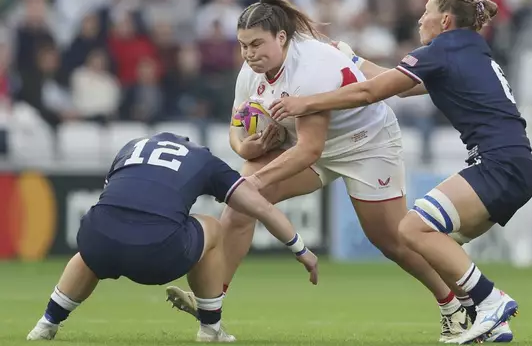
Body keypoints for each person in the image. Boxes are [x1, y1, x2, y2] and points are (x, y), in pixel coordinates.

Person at [164, 0, 479, 343]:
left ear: (281, 38)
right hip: (308, 144)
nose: (249, 54)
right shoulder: (250, 70)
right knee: (240, 206)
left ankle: (455, 305)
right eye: (243, 45)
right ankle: (212, 306)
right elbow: (237, 129)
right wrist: (244, 146)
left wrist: (247, 183)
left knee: (392, 240)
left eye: (256, 45)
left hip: (366, 143)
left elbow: (309, 151)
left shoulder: (310, 69)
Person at [270, 0, 532, 344]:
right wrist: (351, 59)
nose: (419, 18)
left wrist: (308, 103)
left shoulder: (441, 48)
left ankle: (491, 300)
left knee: (412, 230)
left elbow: (371, 92)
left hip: (498, 163)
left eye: (426, 10)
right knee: (432, 241)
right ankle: (491, 322)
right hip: (514, 163)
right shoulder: (467, 49)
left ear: (444, 20)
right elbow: (399, 84)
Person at [26, 132, 318, 343]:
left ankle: (46, 323)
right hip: (158, 253)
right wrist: (301, 249)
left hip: (96, 237)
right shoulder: (203, 158)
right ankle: (210, 328)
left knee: (98, 241)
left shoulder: (131, 146)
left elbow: (115, 194)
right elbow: (261, 207)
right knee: (213, 228)